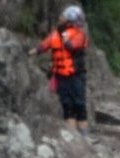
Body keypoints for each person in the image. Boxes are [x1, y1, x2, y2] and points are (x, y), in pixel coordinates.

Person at [33, 6, 90, 134]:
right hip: (60, 75)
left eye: (63, 16)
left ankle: (84, 134)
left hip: (76, 76)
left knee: (79, 104)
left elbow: (70, 46)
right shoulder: (55, 34)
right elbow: (45, 45)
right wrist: (35, 51)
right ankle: (72, 134)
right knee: (67, 104)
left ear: (69, 20)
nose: (60, 18)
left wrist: (64, 33)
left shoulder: (79, 35)